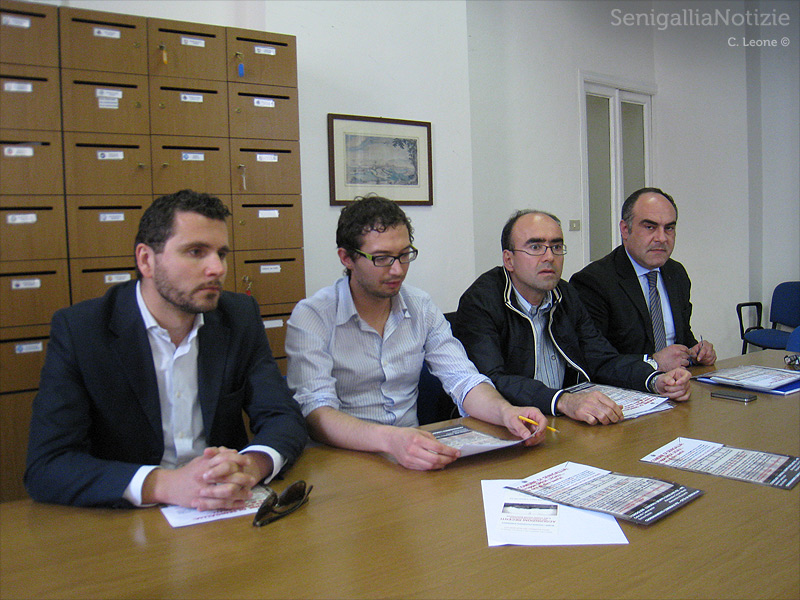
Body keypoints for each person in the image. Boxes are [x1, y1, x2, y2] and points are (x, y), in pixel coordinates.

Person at [25, 190, 307, 509]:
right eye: (196, 252)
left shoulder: (239, 316)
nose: (217, 268)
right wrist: (164, 484)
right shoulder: (82, 330)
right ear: (146, 260)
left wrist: (251, 465)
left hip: (223, 509)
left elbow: (282, 415)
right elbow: (48, 465)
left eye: (221, 253)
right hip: (129, 518)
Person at [285, 196, 548, 471]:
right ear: (347, 258)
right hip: (342, 461)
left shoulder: (420, 307)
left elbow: (463, 379)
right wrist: (390, 440)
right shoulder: (313, 315)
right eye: (381, 258)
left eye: (404, 255)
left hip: (412, 456)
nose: (397, 270)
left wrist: (506, 412)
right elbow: (316, 413)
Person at [452, 210, 692, 426]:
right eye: (535, 247)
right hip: (508, 425)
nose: (549, 257)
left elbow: (601, 359)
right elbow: (491, 380)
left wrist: (654, 380)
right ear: (509, 260)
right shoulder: (481, 301)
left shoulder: (565, 295)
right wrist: (563, 401)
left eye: (556, 247)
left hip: (562, 422)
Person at [570, 187, 716, 371]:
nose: (661, 238)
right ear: (625, 230)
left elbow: (683, 337)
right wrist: (653, 362)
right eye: (650, 227)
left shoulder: (676, 273)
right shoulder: (593, 282)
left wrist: (697, 351)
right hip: (625, 386)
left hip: (679, 381)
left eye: (669, 228)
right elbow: (595, 359)